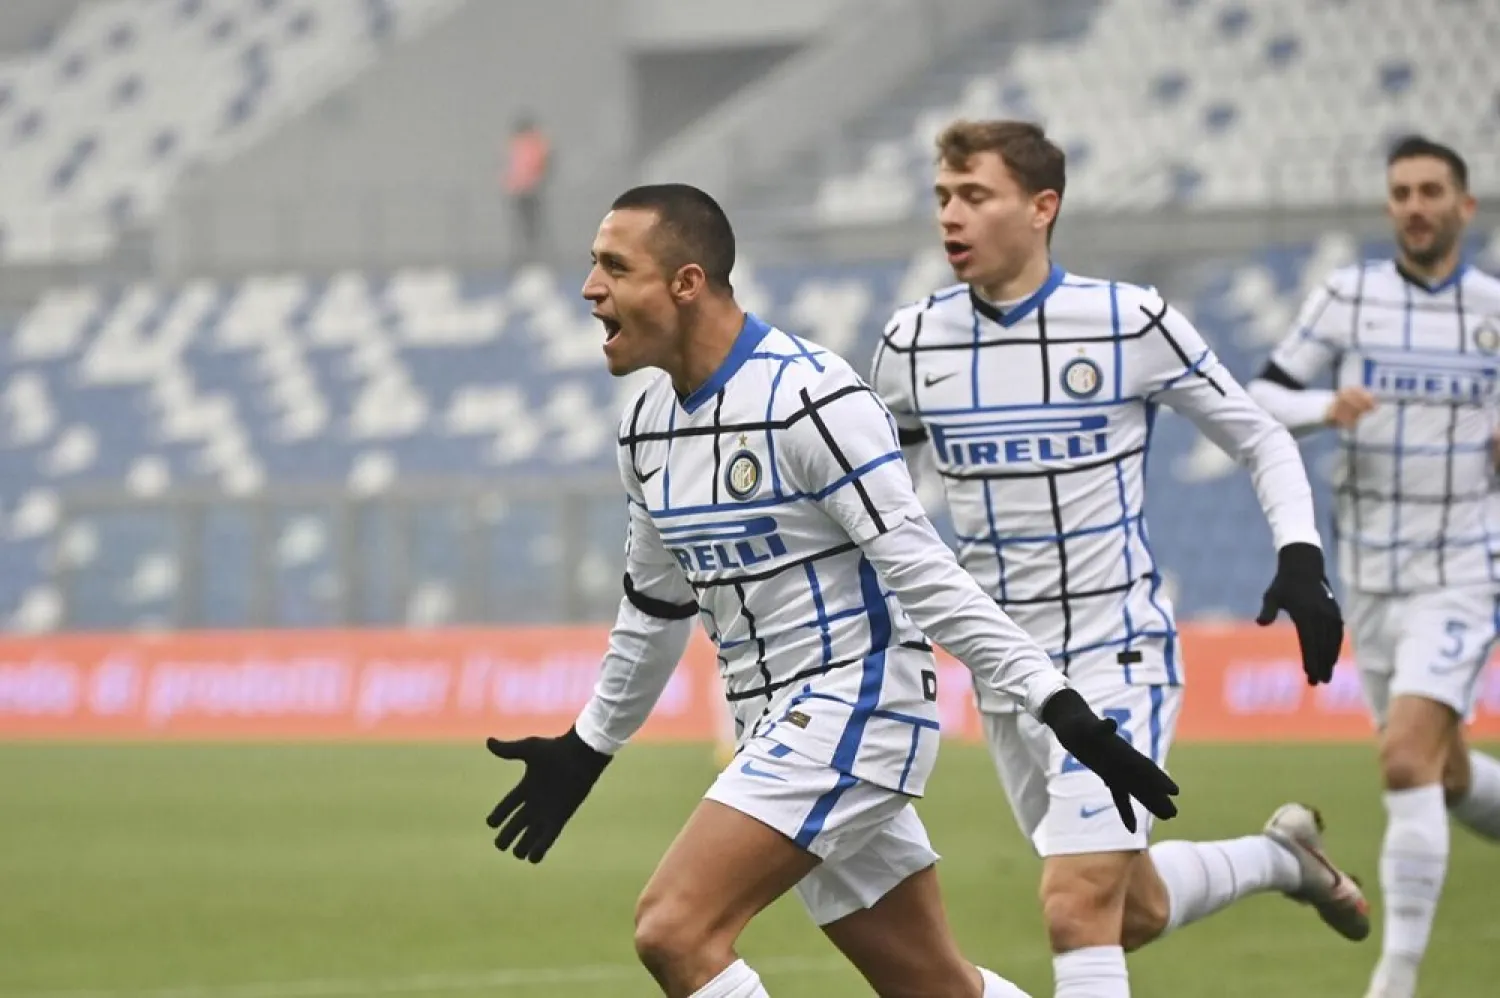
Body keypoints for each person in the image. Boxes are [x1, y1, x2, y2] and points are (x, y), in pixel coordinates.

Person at [484, 183, 1180, 998]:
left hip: (855, 706)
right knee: (933, 986)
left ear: (686, 282)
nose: (589, 288)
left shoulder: (810, 398)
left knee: (675, 928)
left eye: (612, 266)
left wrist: (1058, 705)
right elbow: (654, 607)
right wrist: (588, 745)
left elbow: (924, 572)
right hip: (774, 729)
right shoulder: (644, 426)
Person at [869, 120, 1368, 998]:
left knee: (1073, 905)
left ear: (1042, 207)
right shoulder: (911, 343)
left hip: (1118, 650)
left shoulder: (1128, 320)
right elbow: (885, 513)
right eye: (943, 196)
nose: (951, 215)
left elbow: (1262, 437)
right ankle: (1283, 859)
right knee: (1125, 908)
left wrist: (1300, 556)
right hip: (1009, 673)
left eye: (975, 196)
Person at [1247, 135, 1500, 998]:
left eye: (1432, 191)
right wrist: (1326, 404)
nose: (1416, 205)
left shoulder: (1493, 312)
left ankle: (1394, 983)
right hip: (1372, 573)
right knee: (1445, 772)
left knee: (1401, 764)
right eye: (1402, 192)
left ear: (1465, 207)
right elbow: (1261, 396)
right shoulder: (1347, 297)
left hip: (1465, 567)